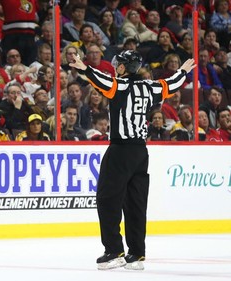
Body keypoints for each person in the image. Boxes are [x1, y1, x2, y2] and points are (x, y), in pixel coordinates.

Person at [69, 49, 196, 270]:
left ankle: (114, 251)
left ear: (122, 68)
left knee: (108, 199)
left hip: (120, 150)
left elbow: (102, 81)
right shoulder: (149, 87)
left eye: (118, 64)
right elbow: (170, 84)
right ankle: (136, 254)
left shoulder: (119, 86)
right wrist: (183, 71)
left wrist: (85, 69)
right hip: (140, 152)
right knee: (136, 203)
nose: (115, 68)